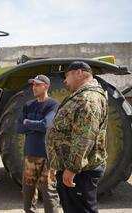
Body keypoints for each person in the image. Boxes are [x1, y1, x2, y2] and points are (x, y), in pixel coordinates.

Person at [46, 61, 108, 213]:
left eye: (67, 76)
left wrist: (72, 169)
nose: (65, 81)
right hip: (74, 168)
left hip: (80, 171)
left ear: (79, 72)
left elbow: (84, 137)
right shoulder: (82, 95)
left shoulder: (88, 98)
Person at [17, 75, 60, 213]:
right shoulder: (28, 105)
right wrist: (35, 126)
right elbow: (19, 128)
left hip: (47, 155)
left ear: (46, 86)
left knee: (48, 191)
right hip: (30, 154)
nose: (34, 87)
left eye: (37, 85)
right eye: (33, 84)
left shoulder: (53, 105)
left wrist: (28, 123)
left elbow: (46, 125)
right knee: (28, 191)